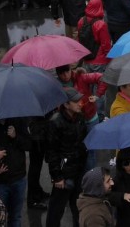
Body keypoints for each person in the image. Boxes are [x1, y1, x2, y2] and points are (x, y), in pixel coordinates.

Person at [45, 87, 89, 227]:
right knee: (56, 210)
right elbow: (51, 152)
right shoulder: (55, 122)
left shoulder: (80, 118)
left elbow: (83, 142)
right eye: (75, 101)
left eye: (79, 100)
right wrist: (57, 176)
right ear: (66, 104)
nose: (79, 103)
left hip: (78, 170)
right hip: (63, 173)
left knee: (78, 208)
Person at [0, 118, 31, 227]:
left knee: (16, 217)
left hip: (18, 178)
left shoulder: (19, 122)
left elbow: (29, 145)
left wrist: (15, 136)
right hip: (0, 182)